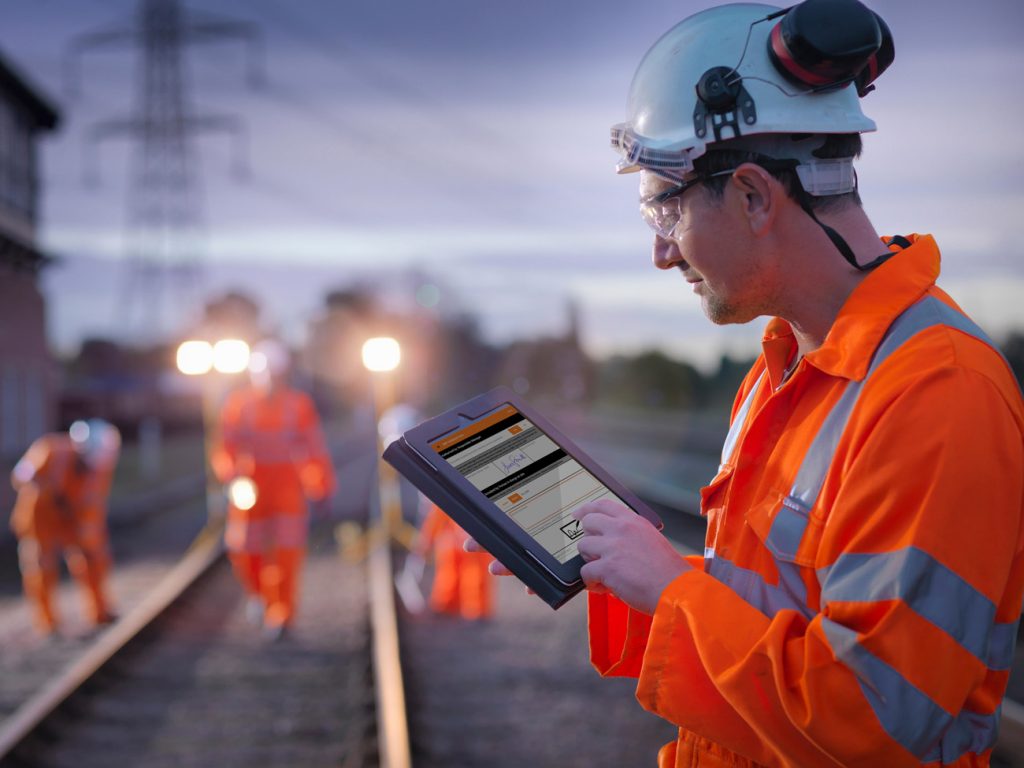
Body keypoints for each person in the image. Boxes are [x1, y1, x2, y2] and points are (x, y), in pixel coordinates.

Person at [480, 1, 1024, 764]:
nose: (663, 256)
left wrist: (672, 589)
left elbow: (873, 717)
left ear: (753, 196)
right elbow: (782, 607)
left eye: (664, 212)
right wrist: (623, 569)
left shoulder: (939, 393)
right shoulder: (784, 371)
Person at [212, 338, 337, 641]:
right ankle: (260, 595)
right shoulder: (238, 404)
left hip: (287, 488)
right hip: (249, 485)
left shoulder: (298, 405)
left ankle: (281, 615)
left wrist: (320, 485)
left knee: (287, 553)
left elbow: (313, 448)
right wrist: (231, 476)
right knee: (244, 549)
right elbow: (225, 447)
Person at [9, 419, 121, 636]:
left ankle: (99, 611)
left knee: (93, 560)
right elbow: (21, 475)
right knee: (42, 568)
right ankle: (48, 622)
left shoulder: (101, 468)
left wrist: (91, 534)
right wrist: (45, 489)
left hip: (74, 519)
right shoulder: (50, 449)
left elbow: (94, 502)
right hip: (41, 520)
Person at [414, 502, 494, 621]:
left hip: (475, 534)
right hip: (454, 534)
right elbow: (438, 512)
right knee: (450, 569)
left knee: (475, 573)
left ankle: (476, 612)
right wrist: (428, 539)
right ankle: (447, 606)